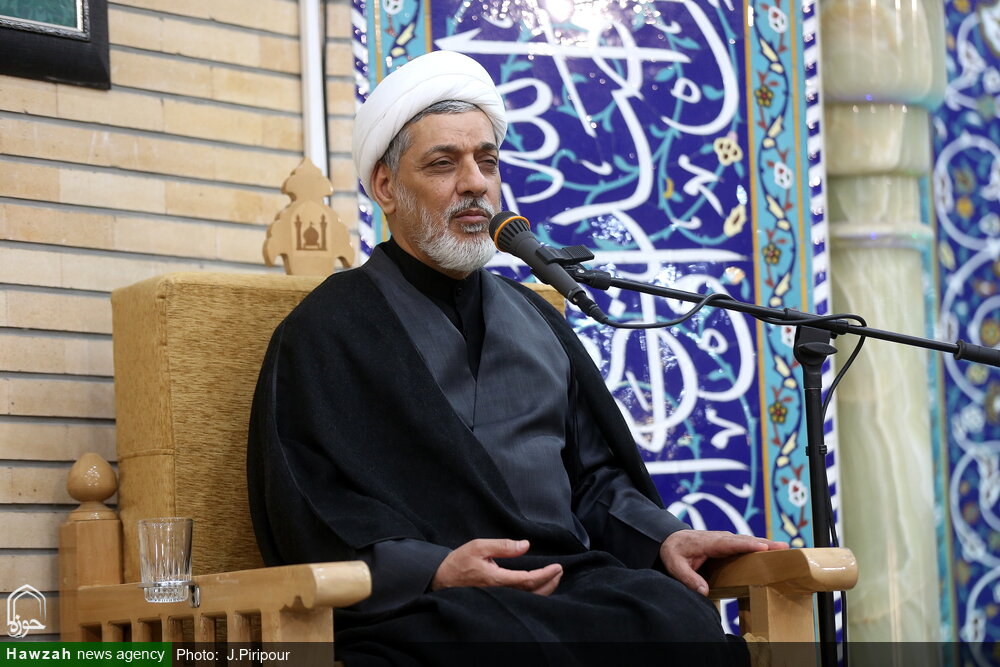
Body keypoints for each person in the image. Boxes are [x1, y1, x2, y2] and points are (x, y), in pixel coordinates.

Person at [247, 50, 786, 666]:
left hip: (566, 581)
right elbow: (311, 505)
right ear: (386, 187)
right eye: (444, 163)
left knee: (676, 619)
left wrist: (664, 537)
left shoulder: (534, 317)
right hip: (432, 604)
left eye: (487, 161)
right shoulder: (326, 331)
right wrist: (434, 568)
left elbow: (595, 483)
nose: (475, 183)